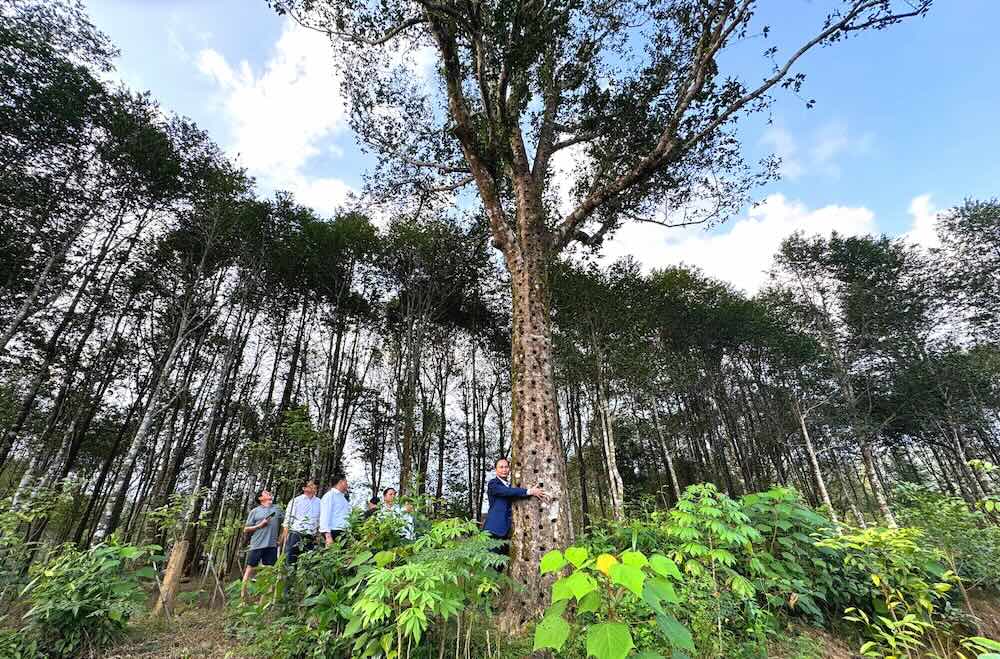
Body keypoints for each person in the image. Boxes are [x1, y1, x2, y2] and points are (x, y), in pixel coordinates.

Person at [483, 458, 547, 555]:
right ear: (496, 470)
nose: (504, 470)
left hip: (506, 533)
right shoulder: (493, 484)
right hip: (493, 531)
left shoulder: (510, 485)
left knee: (501, 565)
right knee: (491, 564)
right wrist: (529, 491)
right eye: (501, 467)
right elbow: (507, 492)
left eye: (506, 467)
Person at [240, 488, 283, 601]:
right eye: (265, 492)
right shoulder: (255, 511)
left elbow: (285, 523)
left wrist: (281, 538)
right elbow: (246, 529)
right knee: (250, 570)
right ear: (260, 498)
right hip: (257, 545)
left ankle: (264, 602)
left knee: (269, 572)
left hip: (272, 546)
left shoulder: (277, 509)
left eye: (269, 492)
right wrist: (259, 525)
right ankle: (243, 598)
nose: (269, 492)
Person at [282, 479, 320, 566]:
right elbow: (288, 519)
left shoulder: (319, 502)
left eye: (315, 486)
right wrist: (285, 535)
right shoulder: (296, 501)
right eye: (311, 485)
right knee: (290, 561)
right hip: (295, 534)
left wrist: (318, 534)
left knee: (308, 563)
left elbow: (319, 520)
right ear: (304, 488)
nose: (313, 487)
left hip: (310, 536)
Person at [320, 473, 351, 546]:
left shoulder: (343, 498)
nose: (347, 484)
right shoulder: (330, 496)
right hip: (333, 532)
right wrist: (328, 536)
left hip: (343, 532)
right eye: (346, 482)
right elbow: (325, 516)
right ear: (341, 482)